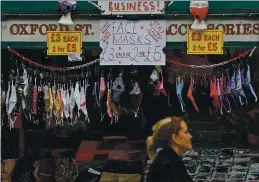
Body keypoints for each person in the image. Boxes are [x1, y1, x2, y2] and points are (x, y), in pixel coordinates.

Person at [145, 116, 193, 182]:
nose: (190, 136)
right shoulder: (167, 165)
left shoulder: (170, 159)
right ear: (175, 138)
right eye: (186, 132)